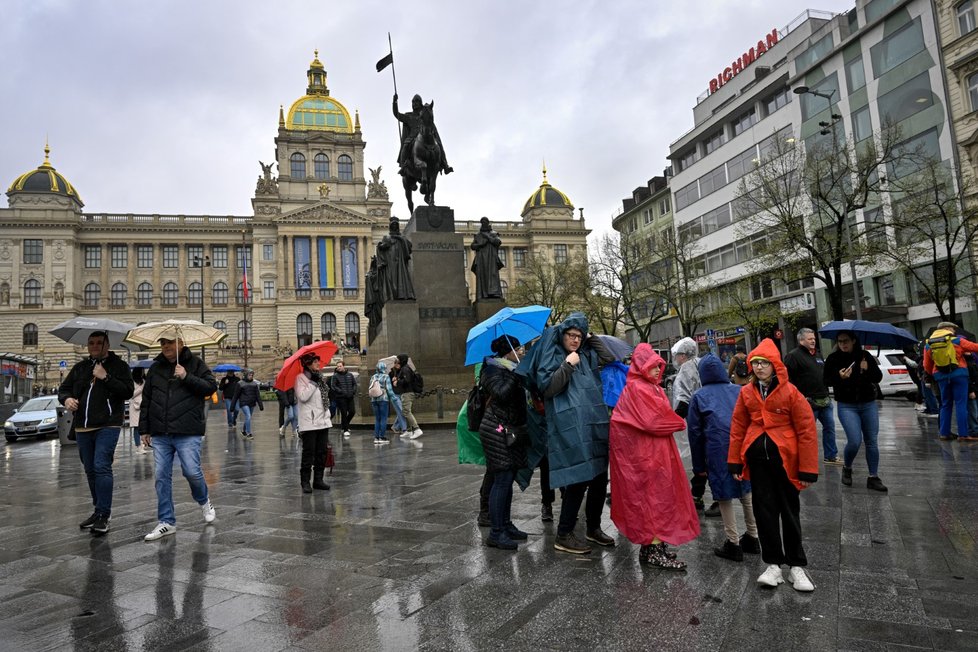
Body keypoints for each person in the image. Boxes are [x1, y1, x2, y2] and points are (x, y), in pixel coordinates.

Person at [517, 312, 616, 554]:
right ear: (562, 335)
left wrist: (590, 338)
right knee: (578, 478)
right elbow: (548, 387)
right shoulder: (557, 357)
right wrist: (568, 365)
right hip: (570, 425)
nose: (575, 340)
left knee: (600, 477)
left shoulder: (586, 352)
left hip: (593, 422)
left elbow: (609, 357)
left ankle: (593, 527)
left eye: (579, 336)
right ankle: (564, 533)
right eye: (571, 335)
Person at [728, 338, 818, 592]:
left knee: (790, 512)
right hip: (758, 462)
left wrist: (808, 468)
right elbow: (738, 427)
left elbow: (806, 430)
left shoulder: (791, 393)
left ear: (774, 365)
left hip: (785, 460)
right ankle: (774, 564)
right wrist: (735, 462)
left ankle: (796, 565)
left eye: (764, 363)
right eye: (755, 363)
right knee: (764, 511)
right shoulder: (746, 392)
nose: (758, 368)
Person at [610, 344, 699, 569]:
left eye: (658, 366)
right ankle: (652, 549)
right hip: (646, 457)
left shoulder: (648, 387)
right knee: (652, 501)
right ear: (641, 366)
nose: (657, 370)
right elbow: (653, 421)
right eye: (652, 366)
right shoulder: (639, 388)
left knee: (658, 501)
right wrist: (678, 422)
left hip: (653, 454)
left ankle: (654, 548)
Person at [140, 334, 218, 541]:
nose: (165, 346)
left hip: (187, 430)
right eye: (163, 343)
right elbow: (146, 399)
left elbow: (211, 387)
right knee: (161, 476)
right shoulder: (155, 368)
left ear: (181, 343)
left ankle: (203, 500)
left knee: (192, 472)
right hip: (160, 431)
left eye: (170, 342)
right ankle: (167, 522)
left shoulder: (196, 364)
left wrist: (186, 376)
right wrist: (144, 429)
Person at [58, 331, 135, 535]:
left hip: (108, 424)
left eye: (99, 342)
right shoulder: (81, 367)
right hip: (83, 426)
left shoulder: (119, 366)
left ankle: (104, 514)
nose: (94, 345)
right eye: (91, 342)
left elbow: (128, 391)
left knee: (101, 466)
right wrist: (67, 400)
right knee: (90, 469)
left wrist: (106, 377)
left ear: (107, 345)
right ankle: (98, 509)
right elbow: (63, 390)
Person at [687, 354, 759, 562]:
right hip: (742, 447)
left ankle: (733, 542)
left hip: (717, 451)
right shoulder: (740, 391)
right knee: (746, 491)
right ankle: (753, 537)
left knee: (723, 495)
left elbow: (695, 434)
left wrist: (699, 466)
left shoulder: (699, 397)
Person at [478, 335, 530, 550]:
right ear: (506, 351)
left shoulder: (508, 368)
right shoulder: (492, 369)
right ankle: (496, 532)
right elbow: (500, 393)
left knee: (507, 479)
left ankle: (506, 524)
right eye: (518, 348)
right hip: (496, 429)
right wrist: (515, 375)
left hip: (511, 429)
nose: (521, 351)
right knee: (501, 479)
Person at [823, 332, 887, 491]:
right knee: (854, 440)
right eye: (839, 341)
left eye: (846, 341)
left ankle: (873, 477)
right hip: (847, 405)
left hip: (868, 403)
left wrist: (868, 369)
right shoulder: (833, 359)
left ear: (853, 341)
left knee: (871, 441)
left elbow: (878, 378)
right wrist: (839, 377)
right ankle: (847, 467)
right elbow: (826, 380)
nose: (843, 344)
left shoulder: (865, 356)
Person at [672, 337, 718, 517]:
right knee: (707, 458)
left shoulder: (686, 370)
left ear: (683, 355)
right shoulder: (702, 364)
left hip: (696, 421)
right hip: (711, 419)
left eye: (677, 356)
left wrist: (674, 421)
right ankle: (700, 495)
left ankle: (705, 497)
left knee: (701, 459)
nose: (676, 359)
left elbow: (683, 399)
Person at [784, 328, 841, 465]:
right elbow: (787, 379)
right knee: (806, 433)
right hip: (807, 402)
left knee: (829, 428)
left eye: (814, 338)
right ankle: (802, 460)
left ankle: (830, 456)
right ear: (801, 340)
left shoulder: (817, 355)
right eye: (810, 339)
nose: (813, 341)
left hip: (825, 399)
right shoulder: (793, 356)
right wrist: (799, 397)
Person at [923, 321, 978, 442]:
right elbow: (975, 348)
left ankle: (944, 433)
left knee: (945, 404)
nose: (954, 331)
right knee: (960, 404)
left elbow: (926, 365)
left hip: (941, 376)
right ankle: (963, 434)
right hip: (959, 374)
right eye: (953, 329)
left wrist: (937, 373)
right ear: (947, 328)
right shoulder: (957, 340)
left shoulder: (928, 344)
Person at [294, 352, 332, 493]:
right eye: (315, 362)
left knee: (321, 452)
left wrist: (327, 413)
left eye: (318, 361)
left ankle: (318, 480)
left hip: (322, 420)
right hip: (309, 422)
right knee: (309, 453)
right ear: (308, 364)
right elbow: (303, 397)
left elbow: (324, 397)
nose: (318, 364)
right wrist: (312, 383)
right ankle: (305, 482)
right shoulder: (301, 378)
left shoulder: (320, 377)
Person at [393, 93, 452, 177]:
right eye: (413, 102)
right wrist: (395, 102)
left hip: (426, 137)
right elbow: (396, 114)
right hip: (412, 138)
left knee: (439, 144)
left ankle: (445, 164)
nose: (414, 104)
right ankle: (403, 166)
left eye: (417, 101)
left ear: (420, 103)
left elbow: (431, 125)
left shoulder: (425, 115)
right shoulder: (409, 116)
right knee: (405, 146)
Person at [376, 218, 416, 301]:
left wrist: (400, 239)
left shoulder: (402, 237)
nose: (394, 227)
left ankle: (403, 294)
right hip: (390, 261)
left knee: (401, 277)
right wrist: (381, 246)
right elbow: (382, 248)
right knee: (392, 278)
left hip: (400, 261)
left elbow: (409, 246)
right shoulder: (386, 237)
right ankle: (392, 295)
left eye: (395, 225)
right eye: (393, 225)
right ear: (390, 227)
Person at [470, 217, 504, 300]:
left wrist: (488, 238)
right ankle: (483, 294)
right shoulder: (478, 235)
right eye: (482, 222)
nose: (483, 224)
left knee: (493, 276)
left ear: (488, 223)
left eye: (485, 222)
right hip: (481, 258)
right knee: (482, 276)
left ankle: (494, 294)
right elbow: (472, 246)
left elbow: (498, 242)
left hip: (491, 258)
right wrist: (480, 245)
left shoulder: (494, 233)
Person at [393, 353, 423, 439]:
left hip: (407, 393)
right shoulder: (403, 368)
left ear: (402, 360)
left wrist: (397, 382)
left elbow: (407, 380)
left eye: (398, 359)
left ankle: (417, 429)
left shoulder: (405, 369)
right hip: (405, 392)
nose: (397, 360)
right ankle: (409, 431)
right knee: (405, 412)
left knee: (406, 411)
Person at [230, 369, 263, 440]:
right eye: (249, 375)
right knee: (248, 416)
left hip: (252, 403)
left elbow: (257, 395)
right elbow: (235, 396)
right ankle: (249, 433)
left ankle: (244, 431)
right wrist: (232, 406)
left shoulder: (254, 384)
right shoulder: (240, 383)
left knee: (248, 417)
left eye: (252, 375)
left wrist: (260, 405)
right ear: (246, 375)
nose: (251, 376)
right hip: (244, 403)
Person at [329, 361, 358, 438]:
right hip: (341, 398)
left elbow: (354, 384)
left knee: (352, 412)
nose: (339, 367)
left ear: (343, 366)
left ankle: (345, 424)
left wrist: (353, 391)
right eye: (337, 366)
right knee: (344, 413)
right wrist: (341, 392)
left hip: (350, 396)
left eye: (340, 366)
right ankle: (345, 429)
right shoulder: (335, 376)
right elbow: (333, 386)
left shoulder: (350, 375)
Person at [368, 361, 394, 445]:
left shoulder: (373, 377)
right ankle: (382, 437)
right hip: (383, 399)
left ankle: (376, 437)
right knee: (383, 418)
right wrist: (394, 398)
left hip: (374, 399)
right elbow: (389, 390)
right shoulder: (386, 377)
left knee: (377, 419)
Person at [131, 367, 148, 454]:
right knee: (137, 427)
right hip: (135, 406)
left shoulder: (144, 380)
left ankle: (144, 445)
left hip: (144, 405)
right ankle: (138, 446)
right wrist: (141, 389)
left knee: (145, 425)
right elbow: (131, 394)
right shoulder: (132, 381)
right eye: (141, 371)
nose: (143, 372)